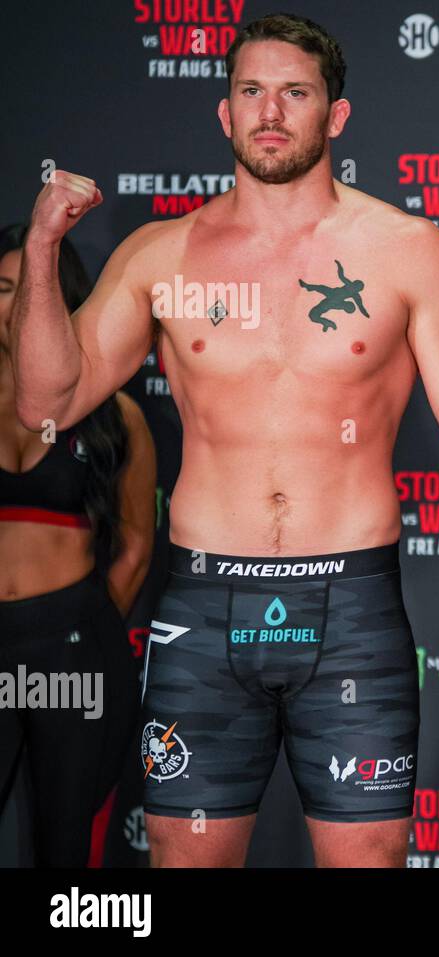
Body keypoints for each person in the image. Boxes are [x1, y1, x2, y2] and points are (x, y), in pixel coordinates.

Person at [11, 12, 439, 868]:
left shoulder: (406, 251)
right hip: (203, 609)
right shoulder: (160, 256)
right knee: (185, 859)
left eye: (295, 92)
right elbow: (43, 401)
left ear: (336, 115)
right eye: (251, 91)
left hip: (352, 606)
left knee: (368, 859)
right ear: (225, 112)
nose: (271, 111)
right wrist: (41, 245)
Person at [0, 223, 156, 866]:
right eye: (2, 288)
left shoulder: (114, 413)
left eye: (29, 289)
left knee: (67, 848)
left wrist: (78, 627)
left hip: (74, 652)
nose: (14, 306)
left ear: (61, 300)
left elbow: (137, 543)